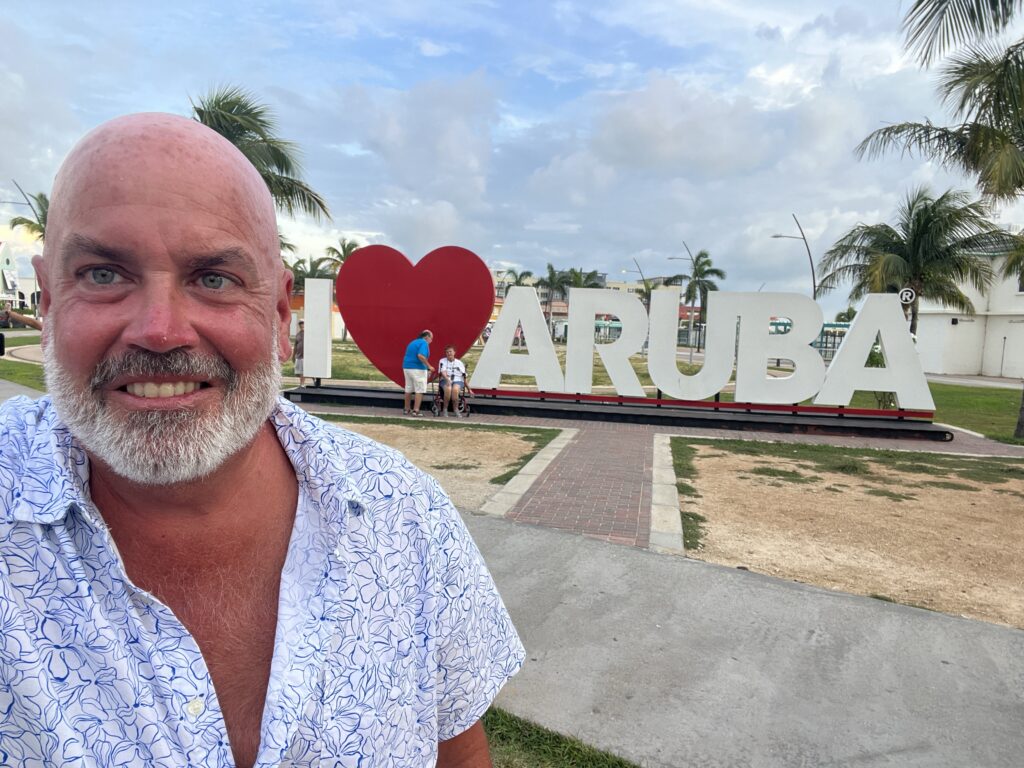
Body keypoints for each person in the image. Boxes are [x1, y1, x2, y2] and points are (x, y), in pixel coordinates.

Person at [0, 113, 523, 768]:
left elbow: (460, 755)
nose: (160, 331)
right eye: (105, 274)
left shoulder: (409, 520)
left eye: (213, 278)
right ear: (47, 303)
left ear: (279, 315)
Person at [402, 329, 434, 416]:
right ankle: (416, 410)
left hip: (407, 367)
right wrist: (429, 366)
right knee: (419, 389)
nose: (431, 341)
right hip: (417, 369)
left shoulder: (413, 342)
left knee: (408, 388)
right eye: (431, 338)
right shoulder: (424, 343)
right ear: (427, 337)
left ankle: (406, 409)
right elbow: (420, 355)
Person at [438, 344, 472, 417]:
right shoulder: (442, 361)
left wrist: (469, 389)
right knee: (448, 388)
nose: (449, 353)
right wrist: (447, 379)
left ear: (454, 352)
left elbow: (464, 376)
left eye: (450, 351)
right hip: (445, 379)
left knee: (455, 390)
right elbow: (442, 372)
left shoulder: (459, 363)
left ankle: (456, 409)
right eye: (447, 352)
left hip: (458, 380)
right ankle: (445, 409)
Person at [292, 317, 306, 386]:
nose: (301, 325)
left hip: (305, 356)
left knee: (303, 371)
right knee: (298, 372)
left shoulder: (308, 334)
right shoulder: (298, 334)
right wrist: (293, 355)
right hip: (298, 356)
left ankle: (302, 384)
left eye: (303, 323)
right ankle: (301, 383)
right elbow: (295, 346)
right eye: (300, 324)